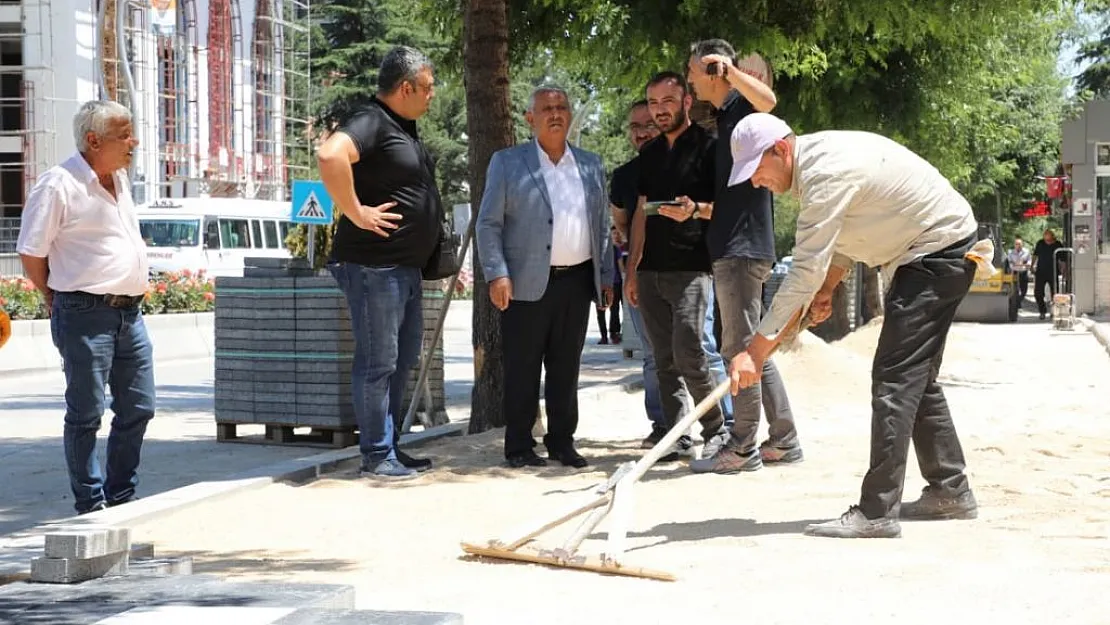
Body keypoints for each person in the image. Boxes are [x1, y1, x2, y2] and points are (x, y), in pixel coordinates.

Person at [727, 112, 984, 539]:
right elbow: (845, 238)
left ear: (780, 150)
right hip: (935, 249)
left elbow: (804, 270)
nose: (756, 183)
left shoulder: (826, 172)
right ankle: (950, 491)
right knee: (915, 379)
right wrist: (827, 290)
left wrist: (754, 351)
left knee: (894, 379)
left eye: (756, 171)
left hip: (937, 250)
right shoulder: (817, 168)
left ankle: (877, 512)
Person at [17, 100, 154, 515]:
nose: (133, 142)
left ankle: (121, 496)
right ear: (93, 140)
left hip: (130, 315)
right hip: (84, 314)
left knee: (140, 407)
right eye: (124, 134)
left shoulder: (120, 178)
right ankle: (91, 504)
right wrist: (53, 295)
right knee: (86, 414)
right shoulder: (59, 184)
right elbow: (31, 251)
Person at [476, 85, 615, 469]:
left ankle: (561, 442)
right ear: (530, 118)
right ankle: (519, 445)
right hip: (523, 282)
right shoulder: (508, 162)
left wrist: (606, 276)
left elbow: (601, 225)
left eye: (561, 107)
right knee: (522, 367)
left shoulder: (590, 164)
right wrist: (497, 272)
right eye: (546, 108)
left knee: (566, 367)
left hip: (576, 282)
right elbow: (488, 224)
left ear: (569, 115)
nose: (555, 114)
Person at [317, 45, 440, 480]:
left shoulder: (401, 126)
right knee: (378, 363)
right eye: (427, 87)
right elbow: (330, 156)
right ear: (405, 87)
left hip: (402, 269)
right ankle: (375, 454)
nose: (432, 95)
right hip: (374, 268)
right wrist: (356, 212)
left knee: (401, 360)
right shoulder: (371, 120)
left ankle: (389, 446)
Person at [686, 38, 803, 474]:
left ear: (712, 68)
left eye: (694, 70)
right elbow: (731, 198)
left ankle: (742, 446)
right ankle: (784, 440)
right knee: (751, 348)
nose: (690, 80)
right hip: (735, 246)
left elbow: (770, 102)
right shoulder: (724, 121)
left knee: (740, 348)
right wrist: (696, 209)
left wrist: (730, 71)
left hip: (742, 250)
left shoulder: (741, 109)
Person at [625, 72, 729, 460]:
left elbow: (728, 209)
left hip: (692, 269)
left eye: (667, 101)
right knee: (663, 359)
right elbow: (640, 215)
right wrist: (632, 270)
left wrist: (696, 210)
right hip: (651, 271)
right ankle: (677, 435)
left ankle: (717, 428)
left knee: (689, 352)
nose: (660, 111)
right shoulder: (648, 155)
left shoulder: (710, 148)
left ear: (686, 101)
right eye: (653, 103)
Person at [595, 227, 623, 344]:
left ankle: (604, 336)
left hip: (602, 282)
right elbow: (621, 266)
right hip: (614, 282)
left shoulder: (598, 249)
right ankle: (613, 335)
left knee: (601, 310)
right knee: (614, 309)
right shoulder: (615, 249)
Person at [1032, 229, 1064, 320]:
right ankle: (1042, 311)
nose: (1046, 236)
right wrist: (1032, 266)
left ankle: (1054, 312)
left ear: (1052, 236)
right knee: (1038, 293)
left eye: (1047, 234)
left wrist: (1064, 270)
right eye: (1045, 234)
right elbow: (1035, 255)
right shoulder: (1040, 243)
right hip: (1041, 272)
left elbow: (1063, 259)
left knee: (1055, 293)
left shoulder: (1058, 244)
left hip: (1053, 272)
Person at [1006, 236, 1031, 307]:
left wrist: (1018, 264)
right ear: (1014, 245)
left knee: (1024, 290)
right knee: (1015, 290)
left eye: (1019, 244)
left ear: (1022, 244)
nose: (1018, 245)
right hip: (1015, 273)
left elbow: (1029, 263)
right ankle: (1017, 303)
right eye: (1016, 244)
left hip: (1023, 273)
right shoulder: (1010, 252)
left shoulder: (1027, 252)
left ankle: (1019, 300)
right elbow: (1010, 265)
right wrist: (1022, 263)